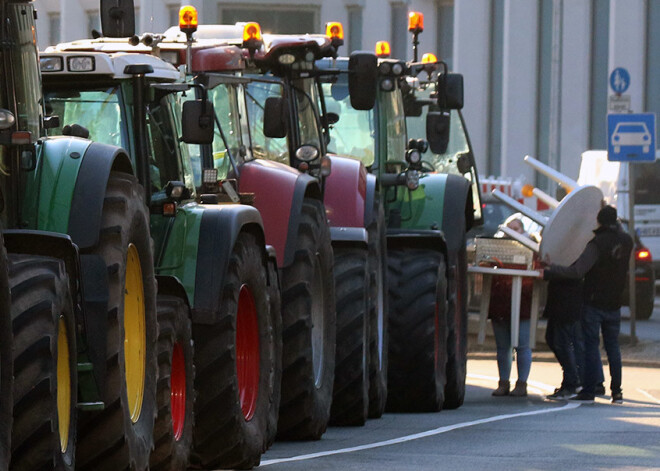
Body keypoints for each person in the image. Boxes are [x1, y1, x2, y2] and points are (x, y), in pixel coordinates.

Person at [540, 205, 632, 404]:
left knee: (591, 346)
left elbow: (578, 271)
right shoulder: (627, 241)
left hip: (593, 300)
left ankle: (589, 390)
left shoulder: (597, 243)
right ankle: (617, 392)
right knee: (613, 348)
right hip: (614, 302)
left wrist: (550, 270)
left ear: (598, 222)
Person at [489, 218, 533, 397]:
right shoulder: (497, 249)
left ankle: (522, 384)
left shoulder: (530, 249)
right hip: (501, 304)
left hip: (522, 304)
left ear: (522, 231)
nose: (512, 233)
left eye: (516, 229)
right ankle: (504, 383)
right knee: (502, 346)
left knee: (522, 345)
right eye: (510, 229)